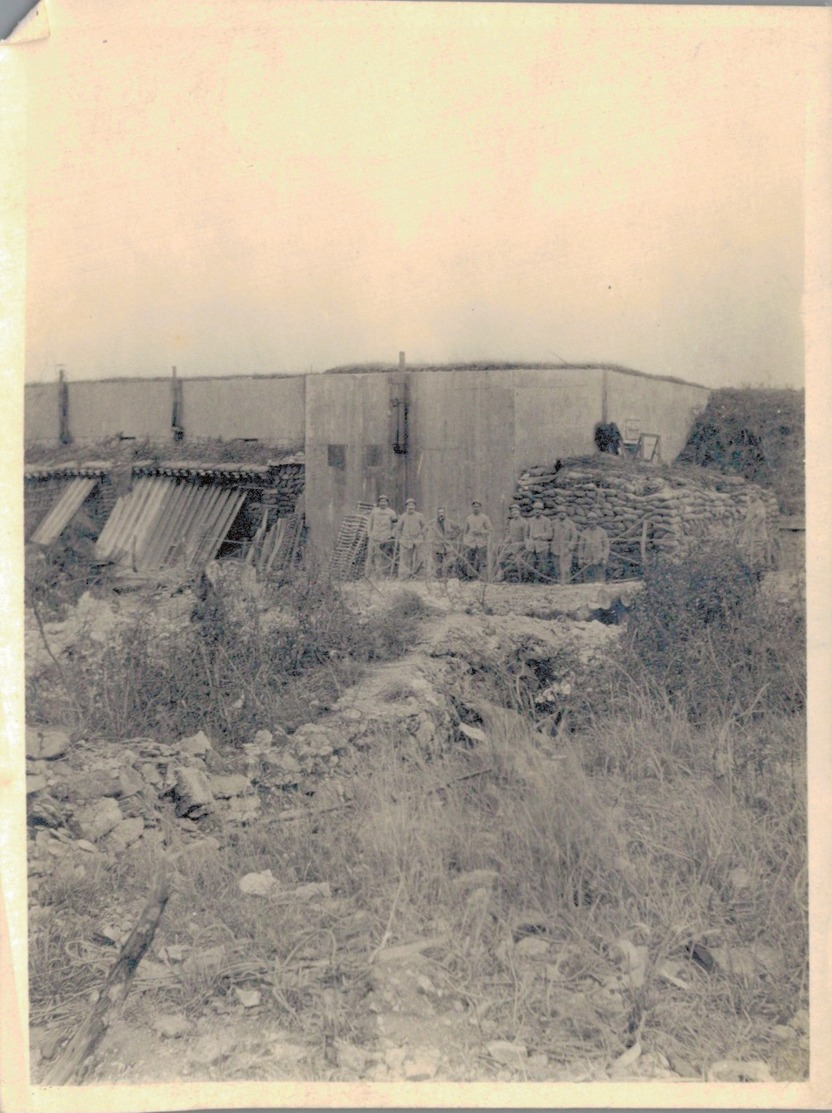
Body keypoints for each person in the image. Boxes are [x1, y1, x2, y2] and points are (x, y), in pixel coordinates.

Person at [365, 495, 398, 578]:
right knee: (371, 555)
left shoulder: (391, 512)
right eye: (381, 502)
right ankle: (369, 575)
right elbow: (370, 523)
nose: (383, 503)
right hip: (375, 536)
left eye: (385, 502)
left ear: (387, 503)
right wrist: (369, 534)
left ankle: (381, 575)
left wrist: (392, 534)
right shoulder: (374, 511)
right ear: (378, 503)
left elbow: (395, 525)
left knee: (382, 556)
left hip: (385, 537)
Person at [396, 498, 427, 580]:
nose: (411, 507)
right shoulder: (403, 517)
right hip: (405, 541)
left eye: (412, 505)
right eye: (409, 505)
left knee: (419, 558)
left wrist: (422, 536)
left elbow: (425, 527)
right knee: (405, 560)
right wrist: (400, 538)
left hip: (418, 540)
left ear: (415, 506)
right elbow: (398, 529)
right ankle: (404, 577)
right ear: (406, 507)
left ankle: (419, 577)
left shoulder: (420, 515)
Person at [523, 500, 553, 582]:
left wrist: (540, 536)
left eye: (539, 509)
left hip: (542, 546)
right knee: (530, 564)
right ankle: (531, 581)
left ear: (542, 511)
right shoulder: (530, 521)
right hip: (531, 547)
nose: (537, 511)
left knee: (543, 565)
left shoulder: (546, 521)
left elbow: (550, 534)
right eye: (536, 509)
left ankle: (543, 581)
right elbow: (525, 534)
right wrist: (527, 542)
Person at [428, 506, 460, 579]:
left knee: (450, 562)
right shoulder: (432, 522)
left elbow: (459, 529)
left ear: (445, 513)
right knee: (437, 564)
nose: (441, 514)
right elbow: (425, 529)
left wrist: (452, 536)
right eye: (439, 512)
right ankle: (439, 578)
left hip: (447, 546)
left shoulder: (450, 522)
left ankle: (448, 577)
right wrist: (431, 539)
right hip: (437, 546)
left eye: (442, 512)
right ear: (437, 514)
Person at [463, 500, 493, 579]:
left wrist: (481, 532)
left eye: (477, 507)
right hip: (470, 543)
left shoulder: (485, 518)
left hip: (481, 543)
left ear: (480, 508)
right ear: (472, 508)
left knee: (483, 561)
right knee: (470, 561)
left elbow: (490, 530)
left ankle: (483, 578)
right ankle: (471, 577)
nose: (476, 508)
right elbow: (465, 531)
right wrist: (466, 541)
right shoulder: (468, 518)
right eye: (474, 507)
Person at [549, 509, 578, 585]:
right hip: (555, 549)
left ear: (566, 514)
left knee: (566, 569)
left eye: (563, 512)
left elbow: (574, 537)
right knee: (557, 568)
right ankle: (559, 583)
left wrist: (569, 547)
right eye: (560, 513)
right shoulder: (553, 523)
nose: (561, 514)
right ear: (557, 514)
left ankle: (567, 583)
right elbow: (550, 535)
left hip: (566, 550)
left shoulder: (570, 524)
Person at [499, 504, 527, 582]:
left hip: (521, 545)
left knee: (519, 563)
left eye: (515, 510)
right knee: (501, 559)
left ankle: (522, 579)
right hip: (512, 546)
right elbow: (510, 535)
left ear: (519, 512)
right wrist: (505, 541)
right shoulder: (511, 522)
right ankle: (504, 575)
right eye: (512, 511)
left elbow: (526, 537)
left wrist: (522, 545)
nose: (514, 512)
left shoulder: (524, 522)